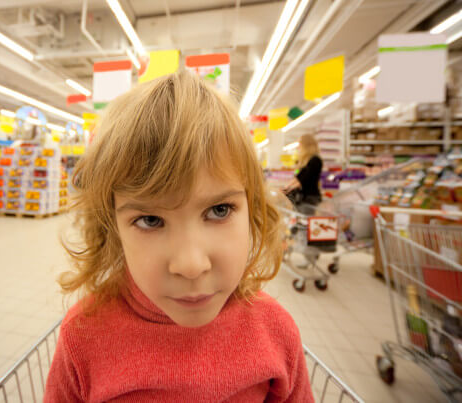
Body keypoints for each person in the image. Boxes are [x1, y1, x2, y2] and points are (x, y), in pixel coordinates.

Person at [45, 71, 313, 402]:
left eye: (219, 211)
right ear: (112, 227)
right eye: (150, 219)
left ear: (253, 209)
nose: (190, 265)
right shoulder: (83, 337)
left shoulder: (275, 331)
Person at [283, 134, 323, 214]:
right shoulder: (306, 161)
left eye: (300, 144)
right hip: (303, 197)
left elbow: (302, 180)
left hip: (310, 197)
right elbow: (298, 178)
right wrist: (286, 187)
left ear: (306, 145)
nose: (298, 147)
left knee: (304, 221)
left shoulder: (315, 160)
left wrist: (286, 190)